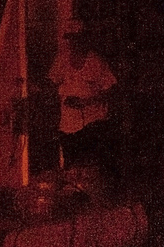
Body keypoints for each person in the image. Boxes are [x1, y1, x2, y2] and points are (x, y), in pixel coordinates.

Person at [48, 19, 117, 192]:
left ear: (84, 38)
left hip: (92, 123)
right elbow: (52, 82)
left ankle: (93, 195)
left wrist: (87, 101)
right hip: (68, 124)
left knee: (91, 166)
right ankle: (75, 195)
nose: (73, 42)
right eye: (70, 38)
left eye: (76, 38)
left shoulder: (96, 62)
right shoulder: (62, 59)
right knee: (71, 165)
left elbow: (110, 89)